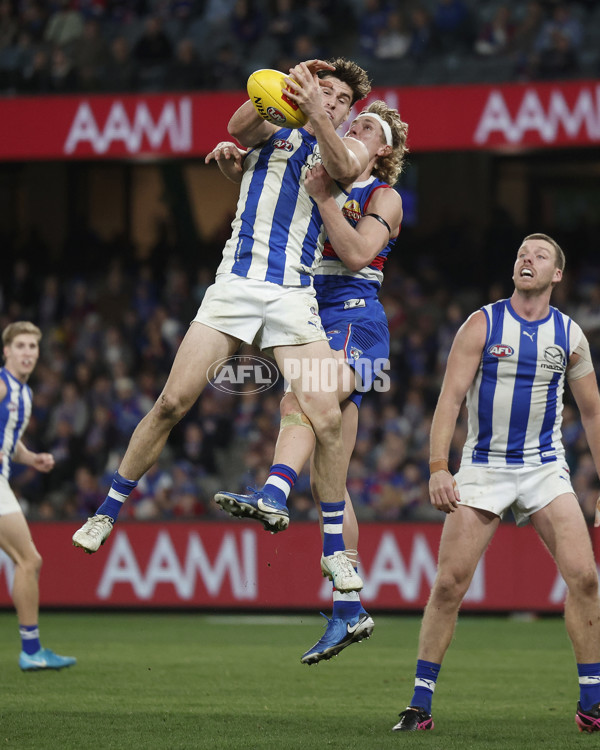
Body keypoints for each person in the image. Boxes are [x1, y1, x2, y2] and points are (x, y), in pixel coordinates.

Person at [72, 58, 372, 595]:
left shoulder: (347, 150)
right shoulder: (275, 125)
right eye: (322, 90)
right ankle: (107, 510)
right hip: (233, 285)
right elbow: (238, 127)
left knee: (326, 419)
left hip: (290, 293)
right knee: (171, 402)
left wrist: (316, 112)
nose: (328, 100)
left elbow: (343, 168)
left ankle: (334, 552)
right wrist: (286, 86)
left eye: (341, 99)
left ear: (351, 111)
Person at [211, 100, 407, 663]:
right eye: (355, 121)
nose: (356, 126)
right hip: (310, 315)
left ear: (384, 150)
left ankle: (273, 493)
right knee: (332, 476)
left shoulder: (381, 196)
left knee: (303, 396)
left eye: (369, 127)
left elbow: (355, 251)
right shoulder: (315, 170)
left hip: (355, 321)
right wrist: (233, 163)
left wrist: (325, 197)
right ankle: (349, 609)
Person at [392, 234, 600, 733]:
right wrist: (439, 465)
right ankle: (420, 705)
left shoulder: (570, 336)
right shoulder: (482, 324)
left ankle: (591, 705)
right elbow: (449, 399)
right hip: (484, 467)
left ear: (557, 276)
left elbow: (592, 411)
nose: (527, 258)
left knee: (587, 579)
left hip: (545, 467)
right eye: (522, 253)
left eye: (540, 255)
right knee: (448, 584)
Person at [0, 321, 76, 671]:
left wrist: (31, 458)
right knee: (29, 560)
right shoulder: (2, 385)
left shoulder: (23, 393)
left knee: (27, 561)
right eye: (21, 346)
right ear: (7, 351)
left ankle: (32, 650)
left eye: (32, 346)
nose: (28, 352)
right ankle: (31, 651)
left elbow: (8, 442)